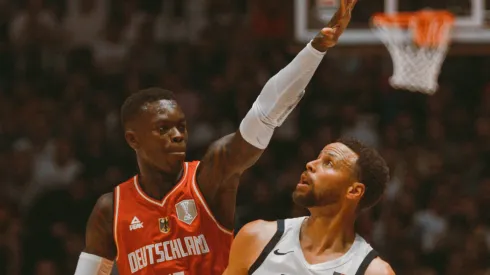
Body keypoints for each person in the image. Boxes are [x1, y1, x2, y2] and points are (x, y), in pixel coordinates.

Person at [73, 0, 358, 274]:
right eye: (163, 129)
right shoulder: (110, 210)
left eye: (181, 126)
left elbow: (264, 114)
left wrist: (316, 48)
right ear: (133, 139)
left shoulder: (208, 179)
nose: (177, 136)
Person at [224, 138, 396, 275]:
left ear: (354, 191)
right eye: (317, 157)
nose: (310, 164)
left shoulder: (373, 271)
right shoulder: (257, 238)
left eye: (328, 163)